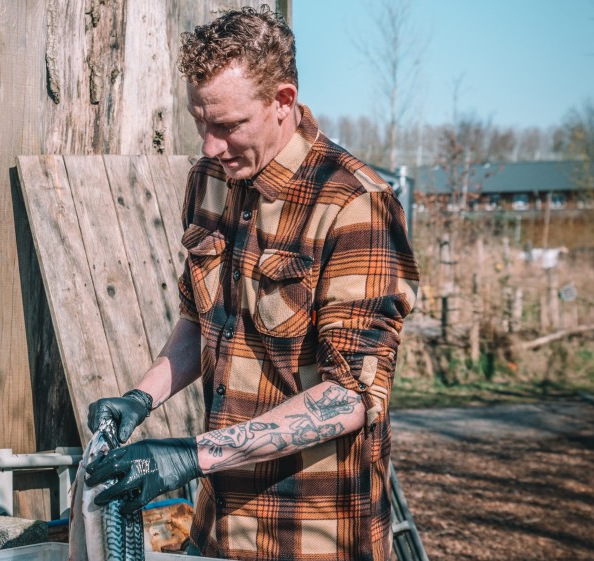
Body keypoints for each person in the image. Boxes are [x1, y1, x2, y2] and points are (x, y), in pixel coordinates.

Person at [83, 5, 419, 560]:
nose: (211, 144)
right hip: (217, 525)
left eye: (229, 125)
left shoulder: (357, 205)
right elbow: (203, 319)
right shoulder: (211, 181)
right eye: (200, 121)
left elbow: (350, 396)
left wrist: (190, 455)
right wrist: (141, 398)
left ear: (283, 101)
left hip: (314, 533)